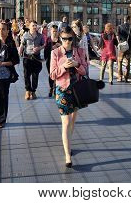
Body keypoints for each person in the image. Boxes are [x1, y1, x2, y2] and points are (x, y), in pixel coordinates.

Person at [50, 26, 88, 168]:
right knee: (65, 122)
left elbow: (84, 71)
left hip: (77, 90)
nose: (67, 41)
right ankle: (68, 155)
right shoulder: (55, 53)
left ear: (73, 38)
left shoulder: (80, 51)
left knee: (73, 120)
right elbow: (52, 74)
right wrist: (64, 67)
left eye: (70, 39)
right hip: (62, 90)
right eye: (64, 39)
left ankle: (68, 143)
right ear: (60, 38)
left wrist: (77, 64)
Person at [19, 20, 45, 100]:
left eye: (35, 25)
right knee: (26, 74)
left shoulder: (40, 36)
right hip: (27, 57)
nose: (34, 27)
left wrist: (39, 48)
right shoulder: (25, 35)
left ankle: (33, 91)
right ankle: (27, 90)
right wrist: (20, 50)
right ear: (29, 26)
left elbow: (43, 44)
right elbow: (22, 44)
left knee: (35, 75)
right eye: (33, 25)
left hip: (36, 58)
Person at [44, 24, 60, 98]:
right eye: (53, 31)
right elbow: (45, 51)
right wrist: (52, 48)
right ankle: (51, 88)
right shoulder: (48, 39)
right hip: (50, 60)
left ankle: (56, 89)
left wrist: (60, 46)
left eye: (56, 31)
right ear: (51, 31)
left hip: (59, 60)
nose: (55, 33)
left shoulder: (60, 39)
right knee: (51, 74)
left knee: (58, 75)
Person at [117, 15, 131, 82]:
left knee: (120, 62)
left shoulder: (119, 27)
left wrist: (120, 43)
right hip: (128, 47)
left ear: (124, 20)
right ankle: (126, 77)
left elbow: (118, 36)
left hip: (121, 47)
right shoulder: (130, 27)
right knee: (127, 62)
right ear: (129, 20)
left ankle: (120, 77)